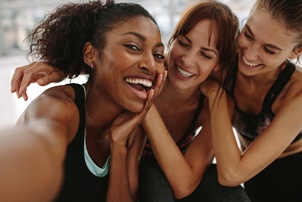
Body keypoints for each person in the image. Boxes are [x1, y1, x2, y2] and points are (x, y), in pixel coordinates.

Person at [10, 1, 251, 202]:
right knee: (154, 183)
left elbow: (184, 183)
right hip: (146, 177)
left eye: (206, 54)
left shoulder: (134, 119)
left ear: (218, 63)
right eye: (183, 44)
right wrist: (65, 66)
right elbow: (33, 149)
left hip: (161, 170)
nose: (187, 60)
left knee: (224, 189)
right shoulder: (63, 108)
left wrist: (134, 122)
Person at [3, 0, 166, 201]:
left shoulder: (131, 129)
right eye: (133, 47)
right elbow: (29, 154)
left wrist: (118, 145)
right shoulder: (58, 109)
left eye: (158, 55)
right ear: (90, 54)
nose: (151, 64)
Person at [200, 0, 302, 201]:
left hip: (295, 177)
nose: (249, 53)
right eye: (248, 34)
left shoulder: (297, 94)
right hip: (254, 178)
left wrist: (215, 93)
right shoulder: (224, 62)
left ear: (295, 52)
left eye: (269, 50)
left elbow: (231, 175)